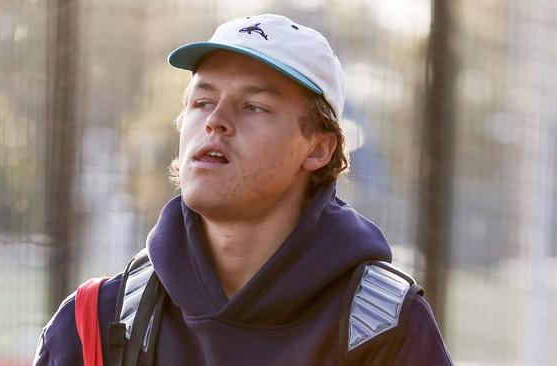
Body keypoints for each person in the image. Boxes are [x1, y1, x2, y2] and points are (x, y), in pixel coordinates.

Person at [33, 14, 453, 366]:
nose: (216, 121)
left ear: (319, 148)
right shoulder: (94, 326)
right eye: (201, 102)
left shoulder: (385, 328)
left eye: (254, 106)